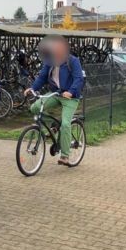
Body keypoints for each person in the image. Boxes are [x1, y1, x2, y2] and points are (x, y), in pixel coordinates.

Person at [24, 35, 84, 166]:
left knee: (66, 124)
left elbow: (79, 78)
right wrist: (32, 88)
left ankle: (65, 156)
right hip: (56, 94)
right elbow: (42, 77)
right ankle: (55, 126)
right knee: (35, 108)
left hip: (70, 97)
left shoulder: (73, 61)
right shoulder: (50, 61)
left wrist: (71, 91)